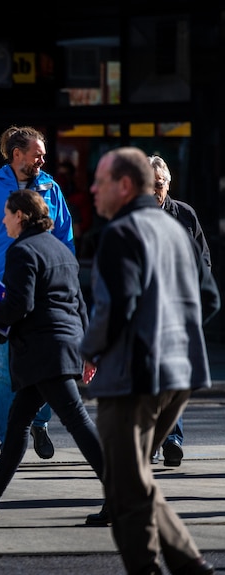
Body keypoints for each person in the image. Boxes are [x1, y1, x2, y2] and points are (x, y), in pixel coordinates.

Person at [82, 147, 219, 575]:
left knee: (125, 487)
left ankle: (152, 568)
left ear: (124, 186)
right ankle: (190, 564)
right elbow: (209, 298)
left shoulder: (121, 233)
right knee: (134, 480)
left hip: (134, 378)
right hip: (180, 375)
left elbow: (116, 307)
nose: (92, 189)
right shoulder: (177, 227)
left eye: (100, 182)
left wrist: (87, 351)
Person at [0, 190, 103, 520]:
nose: (4, 220)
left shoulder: (22, 250)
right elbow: (79, 304)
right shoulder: (60, 249)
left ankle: (123, 495)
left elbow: (22, 303)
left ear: (20, 215)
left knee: (76, 420)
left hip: (44, 351)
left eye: (7, 214)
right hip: (63, 346)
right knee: (19, 421)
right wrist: (88, 351)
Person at [0, 125, 75, 464]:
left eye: (43, 153)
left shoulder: (51, 188)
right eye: (36, 153)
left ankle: (38, 423)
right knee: (0, 369)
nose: (43, 159)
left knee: (46, 360)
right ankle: (8, 441)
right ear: (16, 154)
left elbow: (66, 240)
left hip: (43, 290)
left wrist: (68, 280)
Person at [148, 154, 212, 468]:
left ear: (168, 184)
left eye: (158, 185)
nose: (153, 190)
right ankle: (151, 441)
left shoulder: (184, 215)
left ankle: (171, 440)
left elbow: (204, 261)